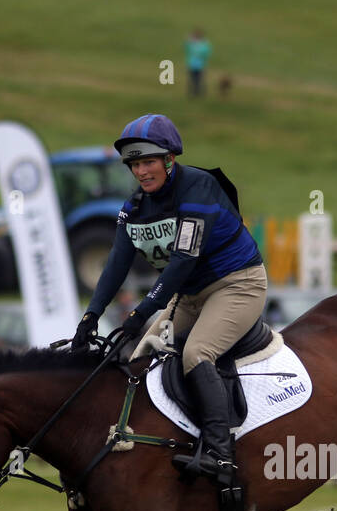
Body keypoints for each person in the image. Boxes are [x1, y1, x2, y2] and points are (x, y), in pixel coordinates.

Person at [72, 114, 266, 483]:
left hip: (237, 285)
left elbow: (183, 261)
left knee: (197, 354)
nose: (141, 172)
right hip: (190, 295)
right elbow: (115, 265)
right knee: (141, 358)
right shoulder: (134, 208)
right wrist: (90, 316)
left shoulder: (199, 188)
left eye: (148, 162)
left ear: (169, 160)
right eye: (134, 165)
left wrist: (140, 312)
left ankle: (220, 454)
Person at [185, 29, 212, 97]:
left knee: (198, 80)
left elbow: (206, 53)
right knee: (193, 80)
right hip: (192, 65)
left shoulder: (203, 45)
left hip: (200, 65)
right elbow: (186, 49)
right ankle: (194, 93)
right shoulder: (193, 43)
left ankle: (199, 94)